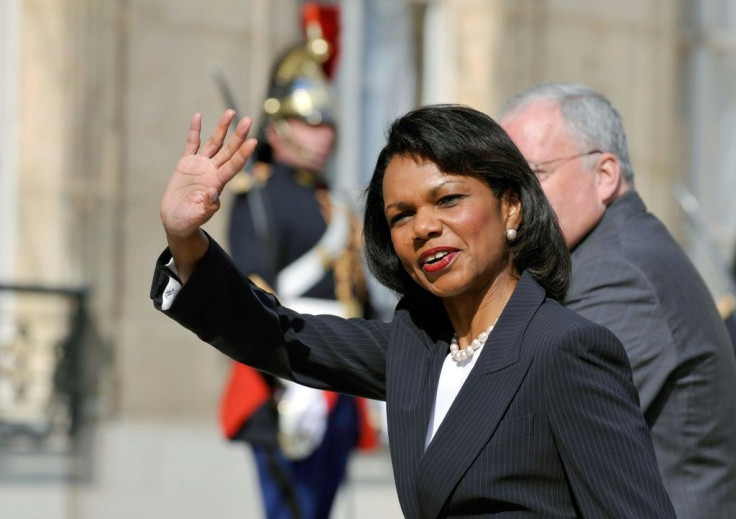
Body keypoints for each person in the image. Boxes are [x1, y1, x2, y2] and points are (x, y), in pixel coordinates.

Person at [152, 104, 675, 518]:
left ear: (510, 206)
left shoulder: (566, 349)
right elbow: (280, 337)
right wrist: (185, 239)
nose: (423, 227)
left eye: (448, 200)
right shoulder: (418, 346)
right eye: (402, 215)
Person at [498, 82, 736, 519]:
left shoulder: (619, 272)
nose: (514, 204)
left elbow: (536, 442)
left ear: (604, 175)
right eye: (503, 185)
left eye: (533, 175)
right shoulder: (603, 254)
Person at [217, 27, 378, 519]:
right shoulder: (257, 196)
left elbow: (359, 299)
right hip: (284, 374)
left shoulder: (337, 207)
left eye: (327, 122)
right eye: (310, 121)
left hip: (341, 377)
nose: (325, 132)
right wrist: (285, 375)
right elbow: (251, 285)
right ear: (277, 128)